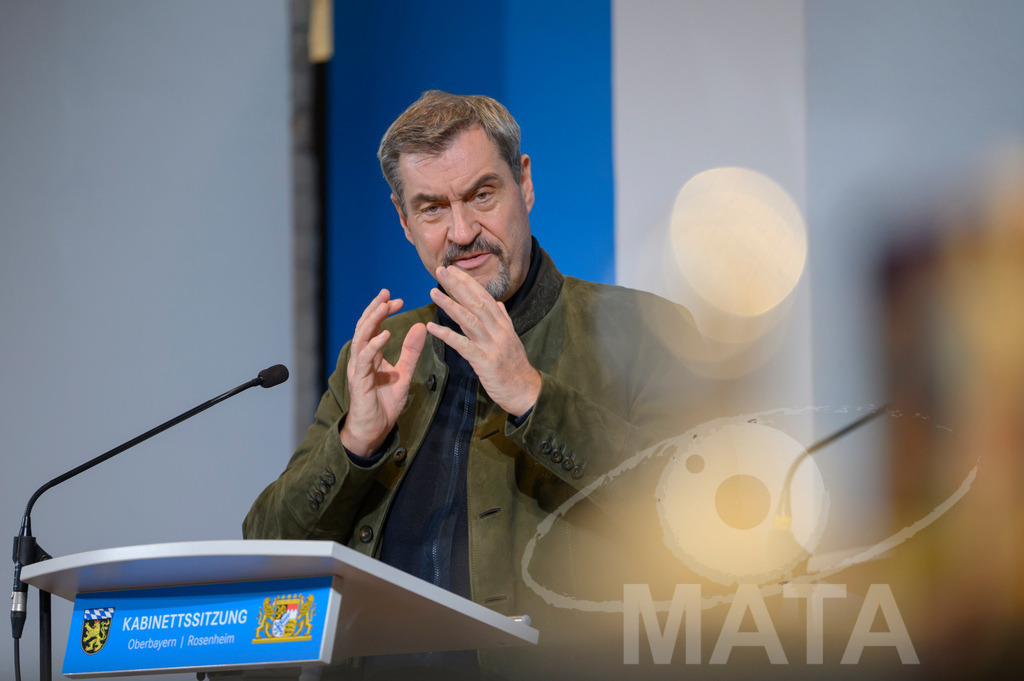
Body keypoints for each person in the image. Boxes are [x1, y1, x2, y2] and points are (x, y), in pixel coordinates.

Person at [244, 90, 708, 679]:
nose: (462, 232)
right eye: (432, 208)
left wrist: (533, 396)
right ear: (404, 220)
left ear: (525, 183)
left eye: (482, 195)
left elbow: (703, 516)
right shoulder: (382, 353)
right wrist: (355, 443)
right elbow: (268, 550)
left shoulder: (644, 330)